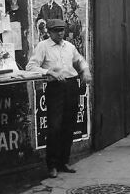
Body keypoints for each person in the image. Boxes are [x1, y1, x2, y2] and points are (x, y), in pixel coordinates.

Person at [26, 17, 91, 178]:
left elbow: (79, 60)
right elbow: (31, 66)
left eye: (62, 30)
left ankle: (64, 162)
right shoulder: (43, 46)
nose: (60, 33)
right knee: (54, 127)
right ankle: (52, 165)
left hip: (71, 86)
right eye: (56, 31)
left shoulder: (69, 46)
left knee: (69, 125)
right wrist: (49, 72)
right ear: (49, 32)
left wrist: (85, 70)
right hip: (55, 88)